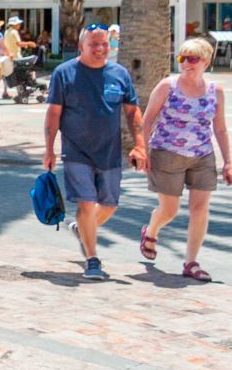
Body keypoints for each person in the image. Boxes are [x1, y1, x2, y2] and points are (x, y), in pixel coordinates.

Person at [43, 25, 142, 281]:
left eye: (104, 44)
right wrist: (49, 149)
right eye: (94, 44)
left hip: (110, 153)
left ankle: (83, 229)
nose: (100, 49)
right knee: (86, 203)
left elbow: (132, 112)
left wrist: (140, 145)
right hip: (76, 151)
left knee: (109, 205)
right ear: (81, 46)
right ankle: (93, 260)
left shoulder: (119, 74)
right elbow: (53, 113)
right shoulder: (64, 73)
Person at [135, 38, 232, 281]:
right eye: (182, 58)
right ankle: (151, 231)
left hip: (202, 155)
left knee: (200, 209)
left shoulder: (215, 91)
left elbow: (220, 129)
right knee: (169, 210)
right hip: (166, 153)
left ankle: (191, 262)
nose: (187, 63)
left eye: (193, 58)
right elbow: (147, 120)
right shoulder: (168, 86)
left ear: (206, 62)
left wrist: (228, 161)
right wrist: (143, 150)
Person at [3, 16, 35, 99]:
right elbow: (18, 43)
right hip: (16, 56)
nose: (19, 25)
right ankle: (21, 91)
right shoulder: (14, 32)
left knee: (8, 74)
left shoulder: (7, 32)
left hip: (8, 56)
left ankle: (5, 92)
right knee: (19, 74)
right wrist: (29, 43)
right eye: (18, 23)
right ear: (14, 24)